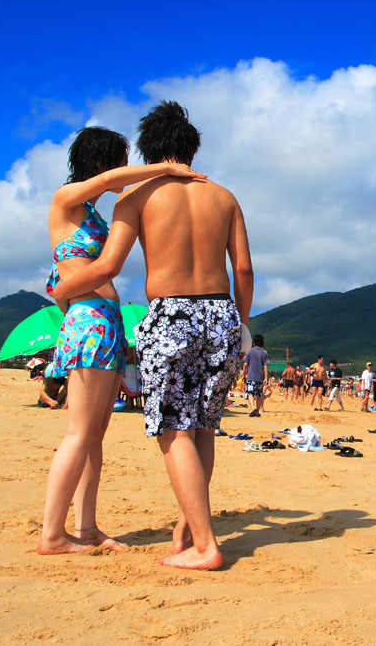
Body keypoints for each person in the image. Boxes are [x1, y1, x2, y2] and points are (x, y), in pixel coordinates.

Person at [51, 101, 253, 570]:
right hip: (223, 315)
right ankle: (188, 527)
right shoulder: (225, 196)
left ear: (148, 150)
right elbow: (242, 267)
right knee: (203, 426)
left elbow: (108, 266)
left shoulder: (136, 197)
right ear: (192, 147)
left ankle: (205, 546)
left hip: (172, 314)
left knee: (171, 428)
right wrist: (241, 323)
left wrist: (62, 290)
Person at [38, 126, 206, 557]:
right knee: (79, 434)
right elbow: (110, 183)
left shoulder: (91, 213)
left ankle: (86, 526)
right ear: (103, 161)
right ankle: (53, 534)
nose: (122, 172)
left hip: (105, 322)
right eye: (119, 162)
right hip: (90, 321)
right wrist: (168, 167)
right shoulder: (66, 199)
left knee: (94, 435)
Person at [242, 334, 269, 417]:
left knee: (250, 393)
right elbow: (265, 366)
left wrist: (244, 374)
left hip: (251, 376)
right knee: (259, 394)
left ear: (254, 343)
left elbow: (245, 364)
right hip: (260, 377)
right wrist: (266, 377)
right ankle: (257, 410)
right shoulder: (264, 352)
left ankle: (253, 408)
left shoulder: (249, 351)